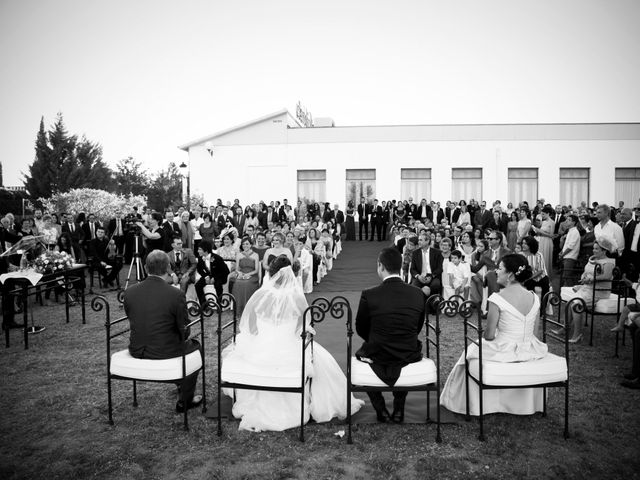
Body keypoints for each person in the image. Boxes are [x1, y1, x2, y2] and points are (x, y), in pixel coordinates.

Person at [221, 256, 364, 431]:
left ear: (271, 274)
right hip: (288, 348)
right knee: (320, 359)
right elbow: (304, 327)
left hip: (262, 350)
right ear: (290, 275)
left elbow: (249, 327)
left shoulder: (260, 295)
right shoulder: (296, 298)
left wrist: (263, 336)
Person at [440, 254, 548, 415]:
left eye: (500, 268)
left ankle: (472, 404)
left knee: (469, 353)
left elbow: (489, 335)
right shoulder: (534, 297)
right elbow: (535, 333)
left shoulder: (497, 298)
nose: (496, 271)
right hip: (531, 348)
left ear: (510, 275)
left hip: (505, 349)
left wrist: (495, 334)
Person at [124, 250, 203, 413]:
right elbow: (184, 330)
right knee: (196, 347)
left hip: (137, 349)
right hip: (165, 351)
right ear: (168, 268)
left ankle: (181, 384)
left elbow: (132, 318)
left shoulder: (130, 291)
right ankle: (185, 400)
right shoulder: (176, 294)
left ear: (146, 268)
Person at [355, 247, 426, 422]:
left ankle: (381, 409)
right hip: (408, 350)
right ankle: (399, 409)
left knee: (362, 357)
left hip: (377, 350)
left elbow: (360, 328)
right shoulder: (418, 293)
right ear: (401, 267)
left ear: (380, 266)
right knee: (399, 356)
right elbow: (417, 326)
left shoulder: (369, 294)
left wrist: (378, 339)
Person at [561, 238, 616, 343]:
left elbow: (607, 276)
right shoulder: (593, 259)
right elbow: (586, 271)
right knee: (569, 303)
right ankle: (564, 328)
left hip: (598, 291)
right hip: (587, 288)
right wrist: (584, 276)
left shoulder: (608, 262)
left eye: (597, 249)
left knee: (576, 304)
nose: (594, 251)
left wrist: (590, 279)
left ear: (604, 251)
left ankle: (577, 335)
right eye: (593, 248)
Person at [229, 237, 260, 315]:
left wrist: (248, 274)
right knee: (238, 283)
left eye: (247, 244)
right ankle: (239, 308)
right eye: (243, 244)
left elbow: (256, 270)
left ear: (251, 245)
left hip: (252, 275)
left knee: (246, 284)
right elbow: (236, 269)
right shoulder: (239, 255)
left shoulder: (256, 255)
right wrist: (240, 274)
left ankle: (248, 308)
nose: (245, 245)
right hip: (241, 274)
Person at [194, 239, 229, 303]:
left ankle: (219, 304)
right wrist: (206, 276)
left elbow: (225, 271)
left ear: (206, 250)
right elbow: (199, 269)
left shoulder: (217, 258)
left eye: (200, 249)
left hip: (219, 276)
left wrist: (215, 278)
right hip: (208, 276)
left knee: (218, 285)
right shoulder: (200, 258)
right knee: (197, 285)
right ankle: (204, 305)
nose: (198, 251)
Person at [410, 232, 444, 298]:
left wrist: (431, 276)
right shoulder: (415, 253)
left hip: (433, 276)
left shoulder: (437, 252)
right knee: (414, 286)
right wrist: (418, 276)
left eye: (420, 240)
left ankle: (433, 302)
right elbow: (412, 269)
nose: (418, 242)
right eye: (418, 240)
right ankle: (419, 303)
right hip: (420, 276)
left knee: (435, 285)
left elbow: (440, 268)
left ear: (427, 241)